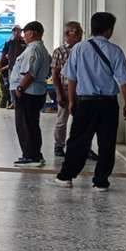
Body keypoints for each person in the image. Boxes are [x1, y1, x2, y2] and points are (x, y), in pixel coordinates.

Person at [55, 12, 126, 191]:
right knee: (107, 142)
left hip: (85, 102)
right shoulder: (115, 51)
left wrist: (72, 100)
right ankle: (101, 181)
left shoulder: (79, 49)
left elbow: (71, 78)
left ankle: (66, 176)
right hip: (108, 104)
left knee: (78, 141)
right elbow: (124, 81)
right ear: (109, 30)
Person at [11, 21, 52, 167]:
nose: (24, 36)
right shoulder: (37, 48)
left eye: (25, 32)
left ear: (33, 33)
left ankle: (31, 156)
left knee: (26, 125)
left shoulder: (34, 49)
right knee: (32, 124)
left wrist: (20, 88)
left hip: (29, 93)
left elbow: (30, 73)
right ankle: (34, 154)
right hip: (34, 92)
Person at [51, 21, 84, 157]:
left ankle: (82, 147)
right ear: (66, 34)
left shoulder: (84, 50)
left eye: (79, 32)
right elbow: (55, 74)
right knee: (61, 121)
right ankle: (59, 145)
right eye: (74, 32)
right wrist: (59, 93)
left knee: (82, 121)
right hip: (65, 89)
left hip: (82, 91)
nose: (78, 35)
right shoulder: (60, 52)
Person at [0, 25, 25, 109]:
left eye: (19, 31)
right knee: (12, 85)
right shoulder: (9, 42)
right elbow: (3, 54)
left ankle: (21, 102)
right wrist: (0, 64)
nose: (17, 33)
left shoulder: (24, 42)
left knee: (21, 85)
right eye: (15, 31)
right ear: (13, 32)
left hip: (22, 67)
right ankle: (13, 102)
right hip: (11, 67)